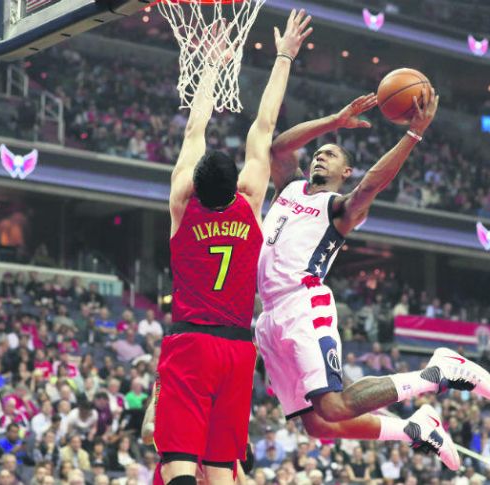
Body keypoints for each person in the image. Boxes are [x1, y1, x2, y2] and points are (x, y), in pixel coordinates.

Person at [254, 80, 490, 471]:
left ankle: (437, 372)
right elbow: (278, 146)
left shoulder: (340, 208)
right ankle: (415, 428)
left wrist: (413, 133)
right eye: (317, 153)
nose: (320, 157)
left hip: (303, 303)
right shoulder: (289, 187)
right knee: (316, 424)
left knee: (334, 404)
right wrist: (334, 121)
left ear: (345, 171)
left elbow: (372, 184)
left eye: (330, 155)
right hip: (268, 314)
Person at [153, 10, 312, 485]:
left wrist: (210, 66)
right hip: (239, 351)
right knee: (223, 470)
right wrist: (283, 57)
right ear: (235, 184)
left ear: (194, 184)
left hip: (191, 343)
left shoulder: (184, 205)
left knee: (179, 462)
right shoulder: (250, 202)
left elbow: (192, 132)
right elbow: (264, 128)